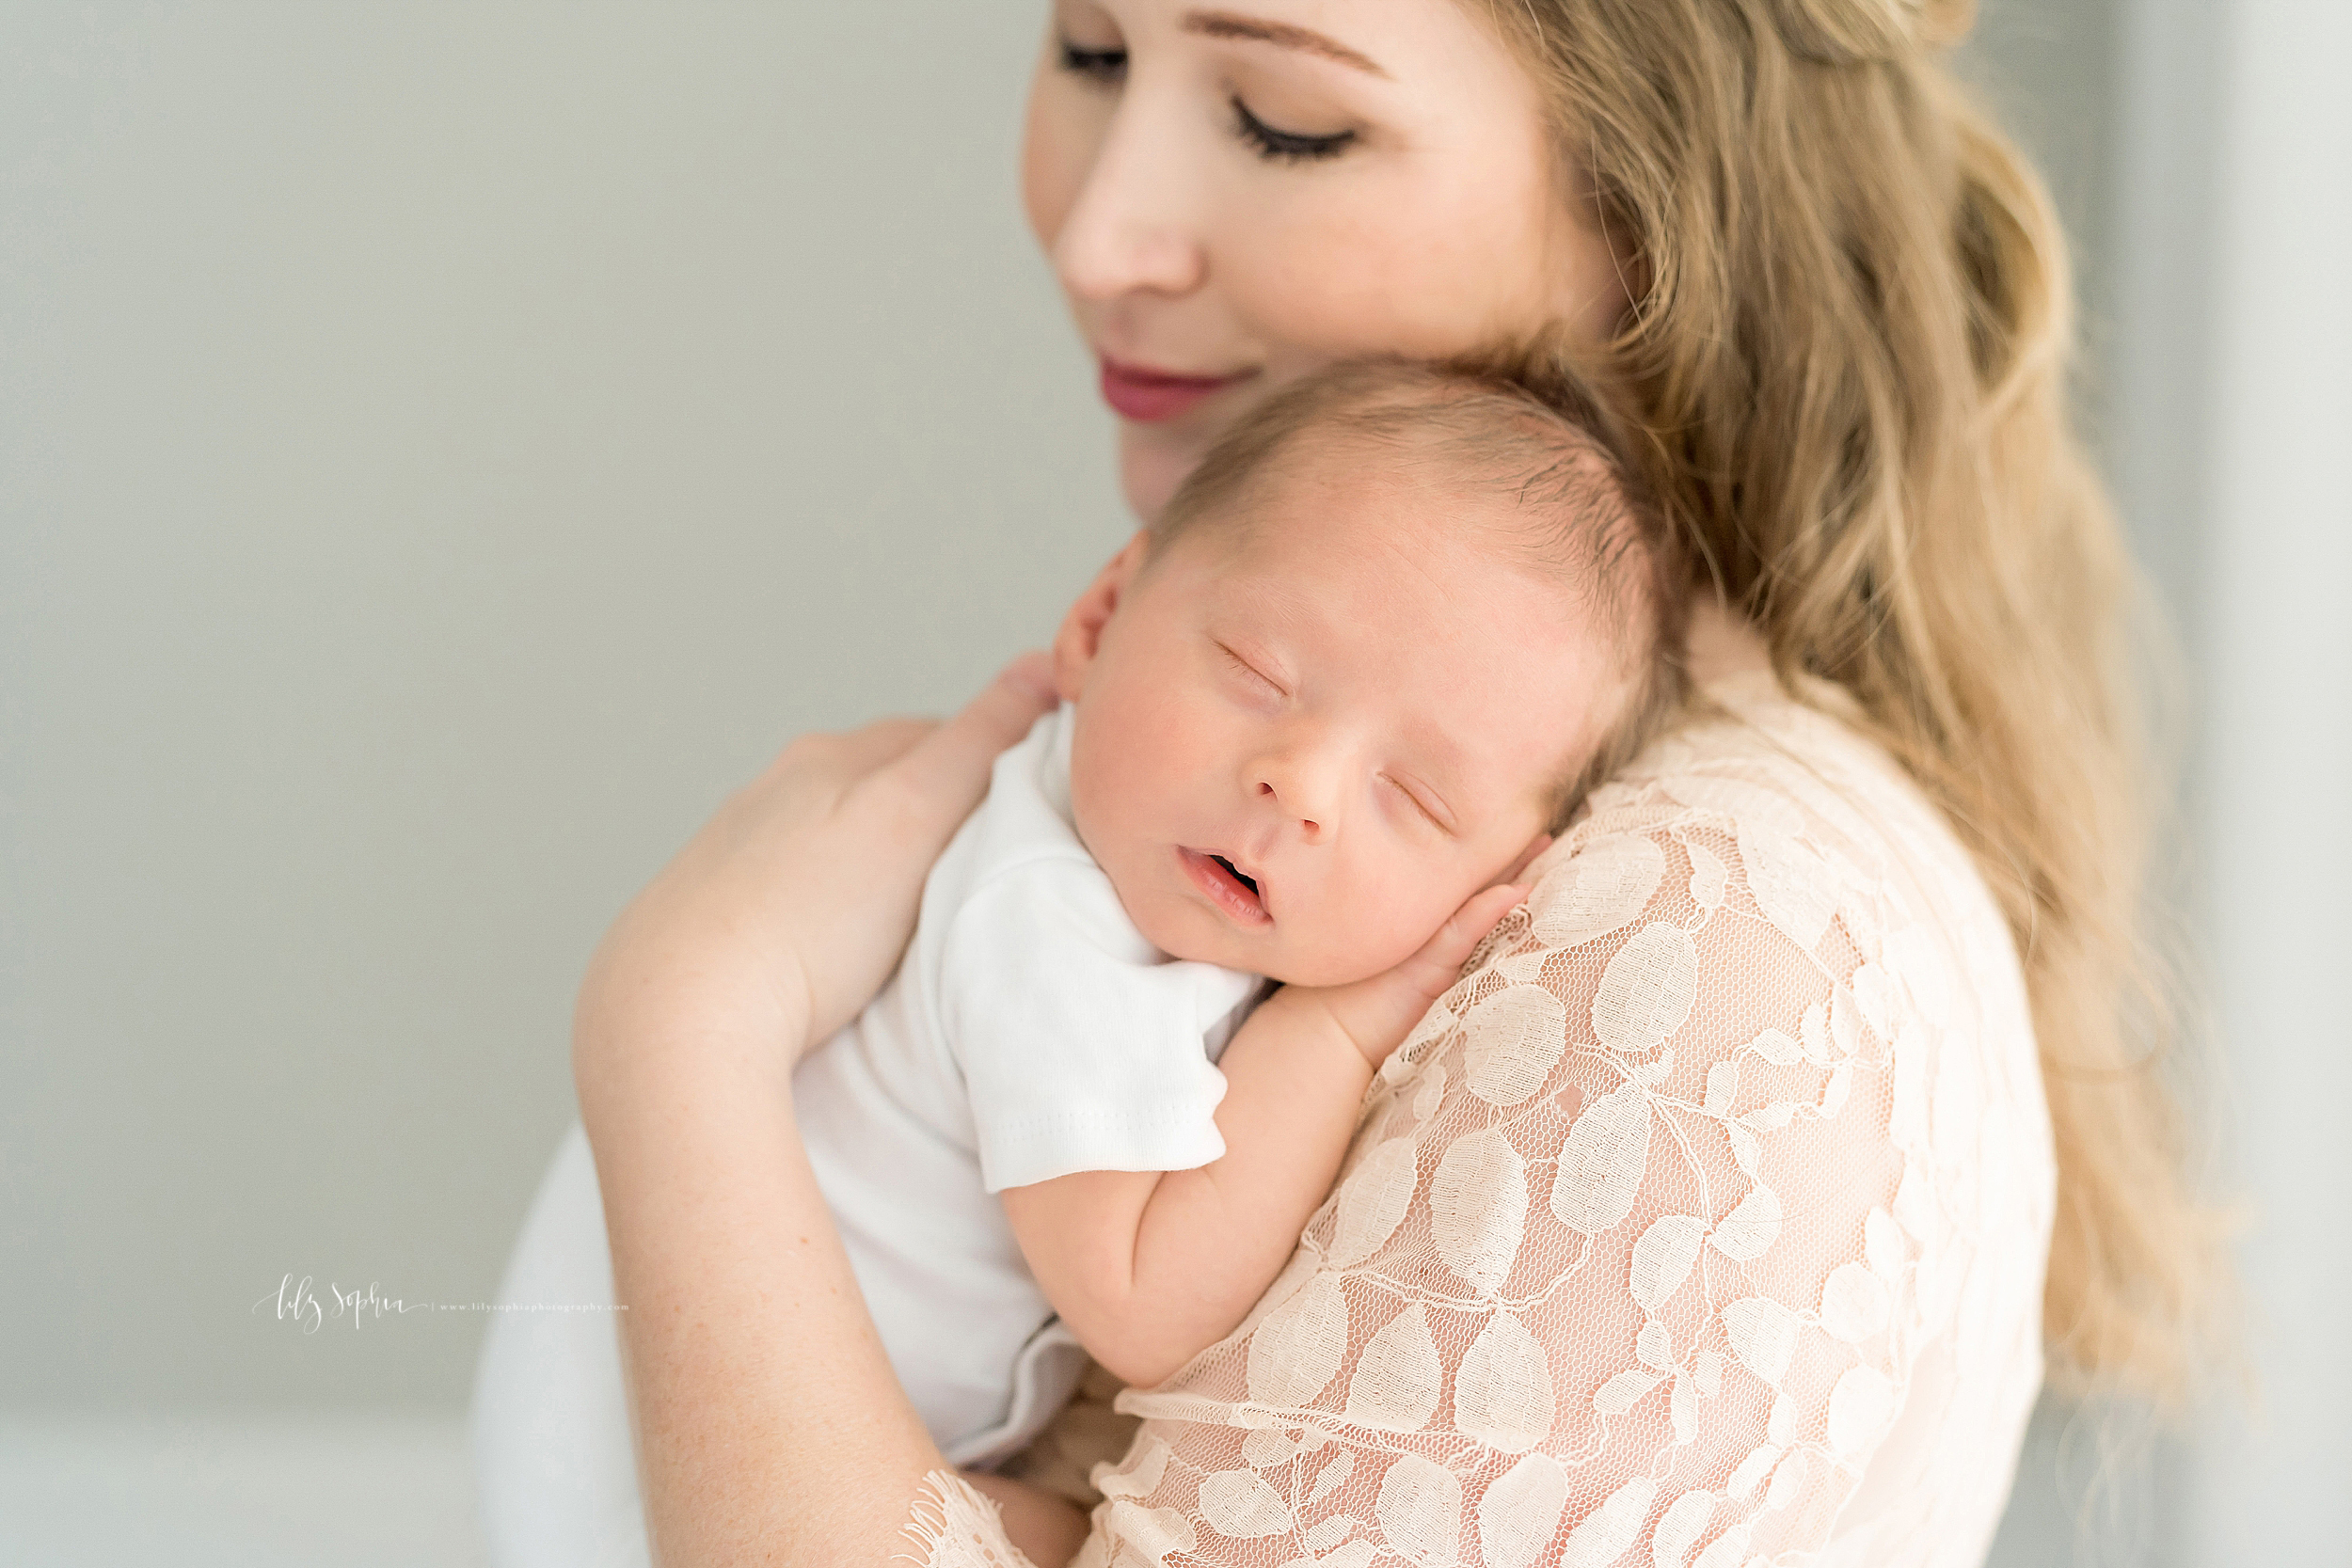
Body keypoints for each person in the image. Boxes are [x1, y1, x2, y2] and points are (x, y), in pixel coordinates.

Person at [471, 2, 2217, 1564]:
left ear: (1652, 191)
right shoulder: (1427, 807)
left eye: (1288, 121)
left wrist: (677, 1019)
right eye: (1090, 50)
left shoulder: (1708, 952)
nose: (1100, 232)